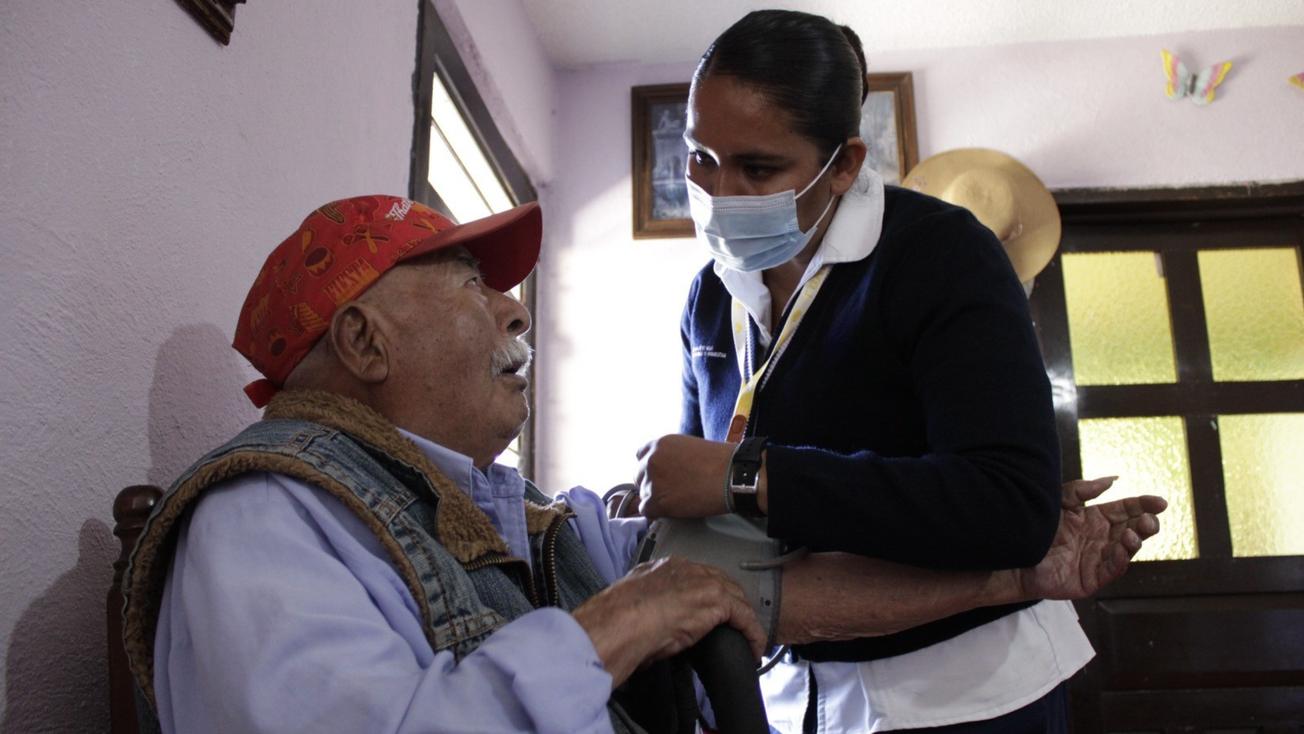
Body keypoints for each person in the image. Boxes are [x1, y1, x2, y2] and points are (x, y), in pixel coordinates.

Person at [121, 194, 1161, 734]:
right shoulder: (266, 518)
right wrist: (611, 625)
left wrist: (1011, 565)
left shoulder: (534, 517)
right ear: (362, 343)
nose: (513, 307)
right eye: (465, 280)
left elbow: (770, 592)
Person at [634, 9, 1138, 733]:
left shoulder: (940, 254)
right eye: (699, 157)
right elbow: (706, 505)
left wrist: (750, 474)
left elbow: (1010, 507)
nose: (718, 193)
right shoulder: (711, 297)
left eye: (758, 168)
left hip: (966, 693)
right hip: (793, 695)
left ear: (844, 163)